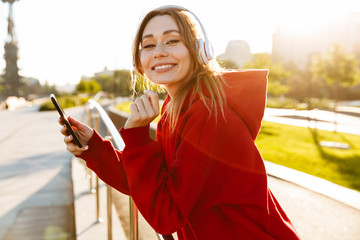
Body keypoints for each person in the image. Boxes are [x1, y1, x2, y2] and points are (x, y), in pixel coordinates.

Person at [59, 5, 301, 240]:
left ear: (201, 50)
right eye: (149, 45)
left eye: (172, 41)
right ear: (139, 61)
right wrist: (95, 147)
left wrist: (136, 134)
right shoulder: (175, 110)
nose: (159, 52)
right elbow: (148, 184)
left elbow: (166, 213)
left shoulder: (207, 115)